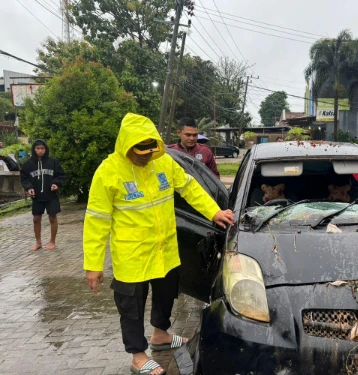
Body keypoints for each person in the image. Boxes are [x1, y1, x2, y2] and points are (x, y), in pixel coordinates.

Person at [83, 113, 235, 375]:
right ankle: (138, 356)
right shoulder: (108, 172)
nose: (145, 156)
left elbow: (189, 187)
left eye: (150, 150)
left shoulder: (163, 162)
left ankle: (160, 335)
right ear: (126, 145)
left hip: (165, 250)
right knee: (131, 307)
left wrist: (213, 212)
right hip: (132, 256)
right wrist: (93, 265)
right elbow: (96, 221)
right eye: (139, 151)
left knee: (167, 295)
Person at [20, 139, 65, 251]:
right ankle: (38, 242)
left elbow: (61, 175)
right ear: (34, 149)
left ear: (46, 149)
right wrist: (29, 188)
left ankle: (52, 241)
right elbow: (24, 179)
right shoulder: (28, 164)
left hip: (51, 195)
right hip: (37, 196)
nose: (40, 151)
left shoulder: (53, 162)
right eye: (38, 148)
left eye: (42, 148)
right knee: (36, 218)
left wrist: (56, 183)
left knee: (52, 217)